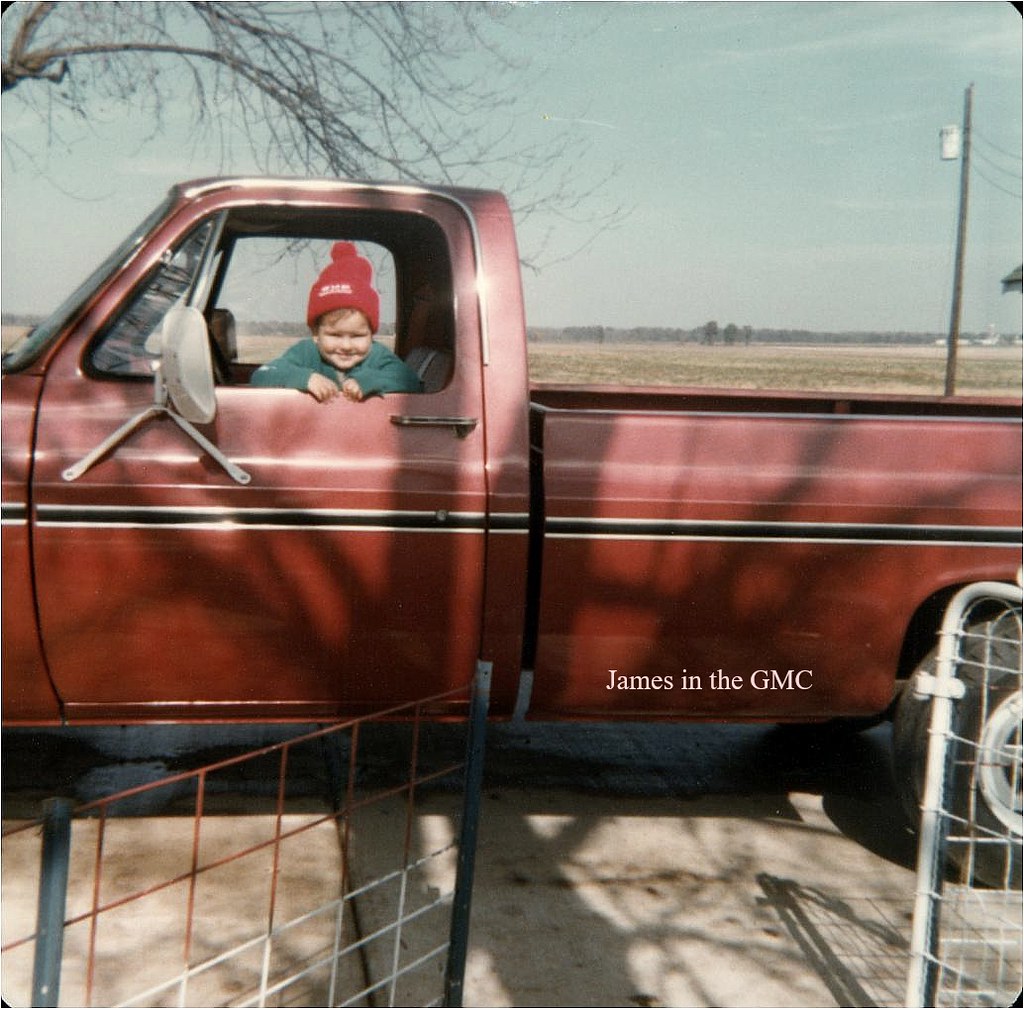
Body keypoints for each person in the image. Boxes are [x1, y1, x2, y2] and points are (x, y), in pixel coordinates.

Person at [250, 242, 422, 402]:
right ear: (316, 334)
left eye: (357, 336)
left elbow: (411, 381)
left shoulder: (377, 355)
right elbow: (262, 375)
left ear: (371, 334)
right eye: (335, 335)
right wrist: (305, 378)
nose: (346, 346)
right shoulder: (306, 352)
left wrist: (369, 381)